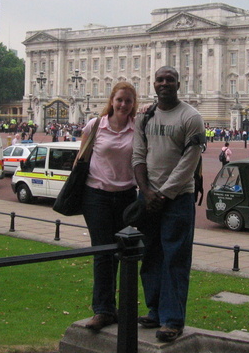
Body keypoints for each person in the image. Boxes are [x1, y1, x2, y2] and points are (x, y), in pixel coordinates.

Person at [132, 66, 204, 343]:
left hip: (177, 199)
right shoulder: (145, 116)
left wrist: (163, 195)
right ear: (154, 83)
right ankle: (155, 310)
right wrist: (146, 191)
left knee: (175, 259)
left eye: (169, 80)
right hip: (149, 196)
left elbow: (190, 161)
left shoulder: (192, 116)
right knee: (150, 255)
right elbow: (138, 155)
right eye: (160, 79)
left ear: (178, 84)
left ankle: (172, 319)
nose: (164, 84)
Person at [81, 82, 138, 331]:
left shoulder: (138, 128)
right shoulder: (95, 125)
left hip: (126, 196)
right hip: (97, 196)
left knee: (125, 254)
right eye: (119, 100)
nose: (123, 104)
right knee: (103, 253)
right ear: (111, 101)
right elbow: (80, 158)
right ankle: (103, 309)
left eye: (128, 100)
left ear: (133, 104)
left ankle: (123, 307)